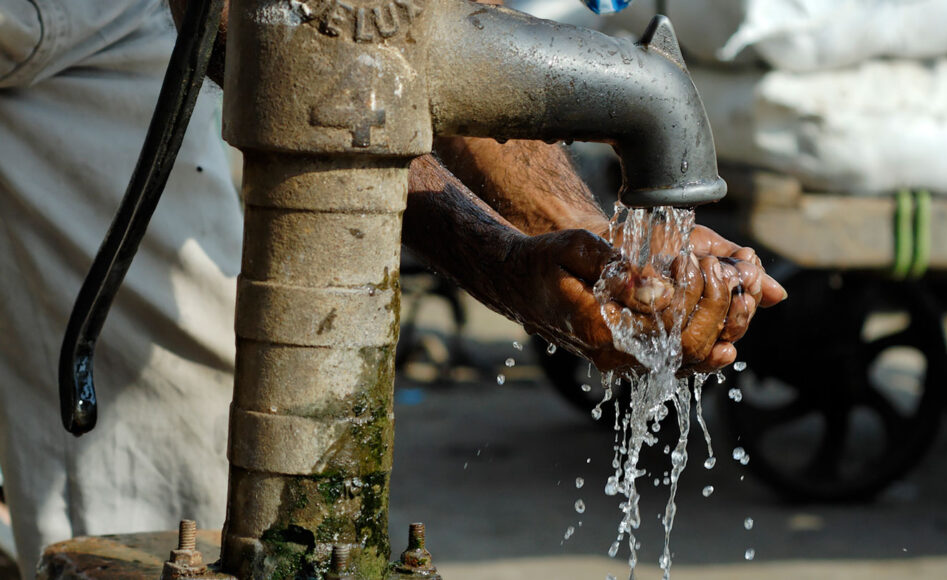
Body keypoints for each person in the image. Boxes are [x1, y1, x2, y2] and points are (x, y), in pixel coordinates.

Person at [0, 0, 784, 578]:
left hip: (109, 16)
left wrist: (606, 258)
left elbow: (392, 34)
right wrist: (500, 264)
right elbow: (295, 35)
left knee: (175, 454)